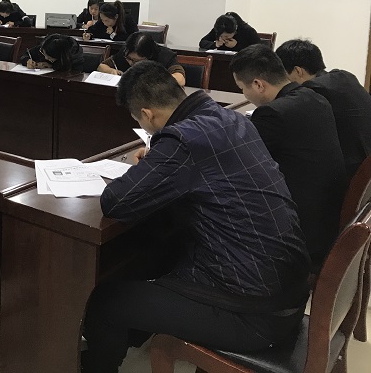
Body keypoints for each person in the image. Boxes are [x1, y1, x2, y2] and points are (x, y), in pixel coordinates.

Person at [82, 60, 310, 373]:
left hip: (254, 314)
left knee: (105, 301)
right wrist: (161, 161)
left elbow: (116, 201)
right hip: (286, 288)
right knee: (158, 255)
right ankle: (132, 333)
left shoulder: (183, 141)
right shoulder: (229, 118)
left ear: (147, 114)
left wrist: (155, 163)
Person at [230, 44, 346, 267]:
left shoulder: (273, 114)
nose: (244, 94)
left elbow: (239, 161)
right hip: (327, 219)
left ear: (258, 85)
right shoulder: (315, 97)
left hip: (300, 233)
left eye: (242, 88)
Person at [276, 39, 371, 179]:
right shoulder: (343, 76)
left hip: (348, 175)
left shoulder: (312, 91)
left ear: (298, 71)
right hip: (365, 168)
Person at [97, 32, 185, 86]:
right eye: (129, 59)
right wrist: (111, 71)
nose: (131, 63)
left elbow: (180, 79)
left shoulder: (164, 55)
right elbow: (102, 66)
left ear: (149, 56)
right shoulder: (126, 53)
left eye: (136, 61)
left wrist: (155, 80)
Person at [21, 34, 85, 73]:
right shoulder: (47, 46)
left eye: (49, 58)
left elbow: (72, 74)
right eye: (43, 53)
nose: (45, 58)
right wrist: (27, 60)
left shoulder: (75, 57)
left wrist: (52, 65)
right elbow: (26, 54)